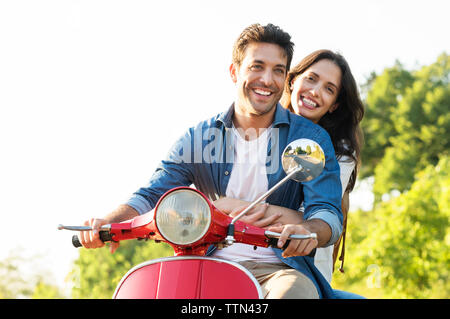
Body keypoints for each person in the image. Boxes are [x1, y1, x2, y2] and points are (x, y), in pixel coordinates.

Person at [78, 23, 343, 299]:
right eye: (257, 66)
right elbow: (152, 194)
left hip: (277, 269)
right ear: (234, 71)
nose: (267, 79)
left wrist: (309, 231)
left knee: (293, 295)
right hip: (205, 263)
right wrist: (107, 223)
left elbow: (326, 212)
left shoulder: (310, 139)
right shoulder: (199, 138)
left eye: (278, 70)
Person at [215, 49, 365, 297]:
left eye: (329, 89)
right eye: (311, 79)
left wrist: (231, 205)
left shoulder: (339, 153)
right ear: (292, 80)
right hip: (236, 256)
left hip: (301, 265)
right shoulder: (256, 129)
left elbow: (316, 217)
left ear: (334, 104)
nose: (315, 91)